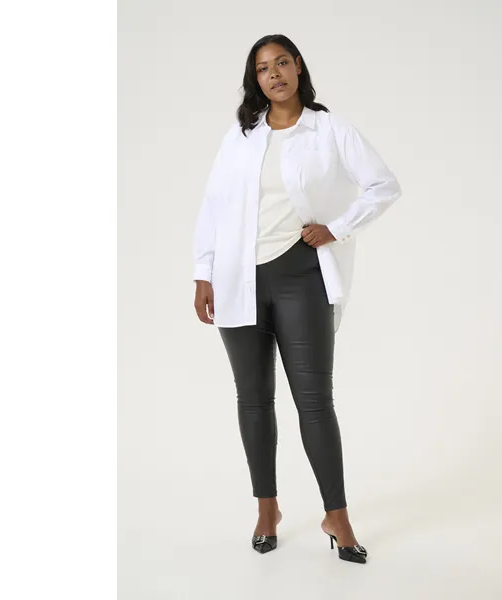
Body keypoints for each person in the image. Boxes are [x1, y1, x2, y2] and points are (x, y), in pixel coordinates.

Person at [191, 33, 401, 564]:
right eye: (263, 68)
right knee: (253, 400)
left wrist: (337, 227)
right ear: (256, 80)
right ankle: (267, 509)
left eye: (282, 62)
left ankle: (337, 515)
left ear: (299, 67)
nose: (274, 74)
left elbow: (383, 185)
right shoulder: (241, 137)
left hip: (301, 275)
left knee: (314, 402)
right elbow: (214, 206)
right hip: (238, 278)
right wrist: (203, 272)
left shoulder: (329, 130)